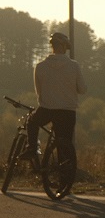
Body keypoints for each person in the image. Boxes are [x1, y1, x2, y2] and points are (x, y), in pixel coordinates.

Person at [24, 32, 87, 171]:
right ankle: (66, 179)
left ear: (52, 46)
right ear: (65, 47)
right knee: (64, 144)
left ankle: (32, 148)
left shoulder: (40, 66)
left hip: (47, 109)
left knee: (32, 122)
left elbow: (38, 92)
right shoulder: (74, 66)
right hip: (67, 112)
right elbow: (82, 89)